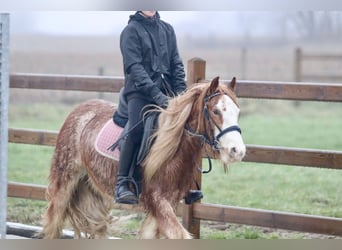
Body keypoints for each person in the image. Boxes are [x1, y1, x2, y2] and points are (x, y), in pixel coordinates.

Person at [114, 11, 201, 204]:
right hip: (140, 92)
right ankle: (122, 183)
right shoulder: (130, 31)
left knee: (186, 128)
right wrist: (156, 95)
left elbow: (176, 64)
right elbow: (134, 68)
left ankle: (187, 183)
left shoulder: (167, 30)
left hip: (168, 91)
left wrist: (181, 95)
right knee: (137, 129)